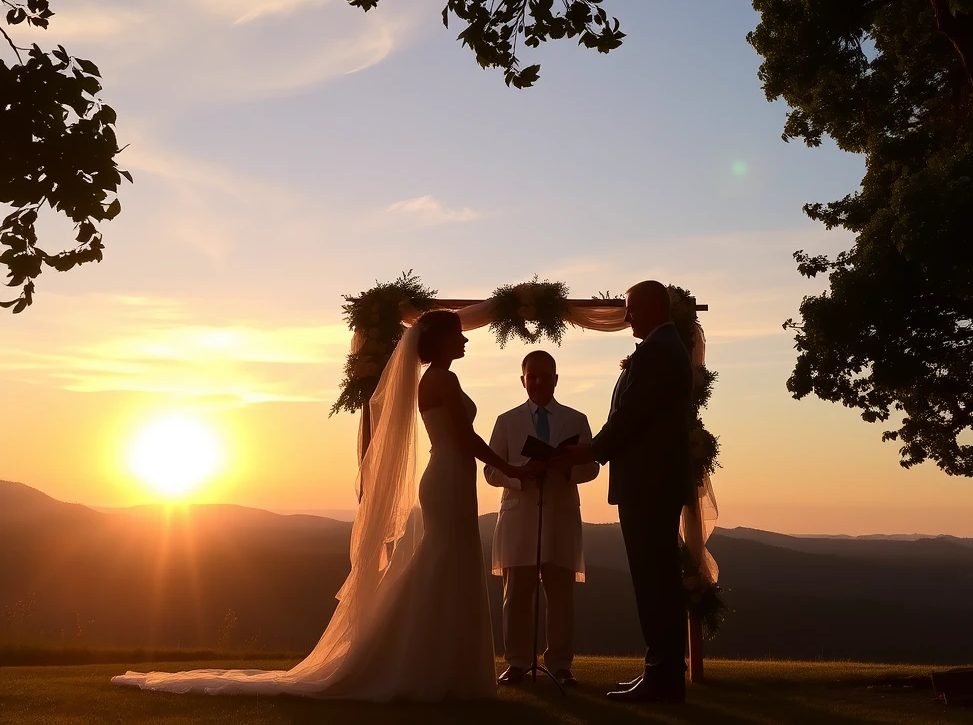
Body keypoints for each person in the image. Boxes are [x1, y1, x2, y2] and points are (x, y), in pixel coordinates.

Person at [112, 309, 538, 701]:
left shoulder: (434, 379)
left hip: (448, 477)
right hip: (448, 476)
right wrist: (513, 470)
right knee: (445, 562)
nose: (465, 342)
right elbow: (464, 438)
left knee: (446, 562)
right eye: (458, 336)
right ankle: (423, 663)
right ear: (441, 340)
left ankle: (437, 663)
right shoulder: (443, 380)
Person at [557, 280, 695, 703]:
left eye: (631, 307)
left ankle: (662, 678)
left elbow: (631, 416)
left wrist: (589, 450)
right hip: (654, 481)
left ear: (654, 307)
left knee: (654, 581)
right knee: (658, 579)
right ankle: (662, 673)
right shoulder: (666, 348)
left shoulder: (656, 352)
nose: (626, 315)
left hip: (648, 484)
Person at [483, 350, 599, 686]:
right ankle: (517, 662)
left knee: (561, 596)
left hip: (561, 516)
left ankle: (561, 665)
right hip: (519, 516)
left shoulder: (576, 419)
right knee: (516, 594)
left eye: (545, 375)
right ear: (522, 380)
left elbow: (592, 465)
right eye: (531, 376)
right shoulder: (506, 420)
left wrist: (566, 470)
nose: (537, 381)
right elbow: (491, 469)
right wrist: (519, 474)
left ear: (556, 379)